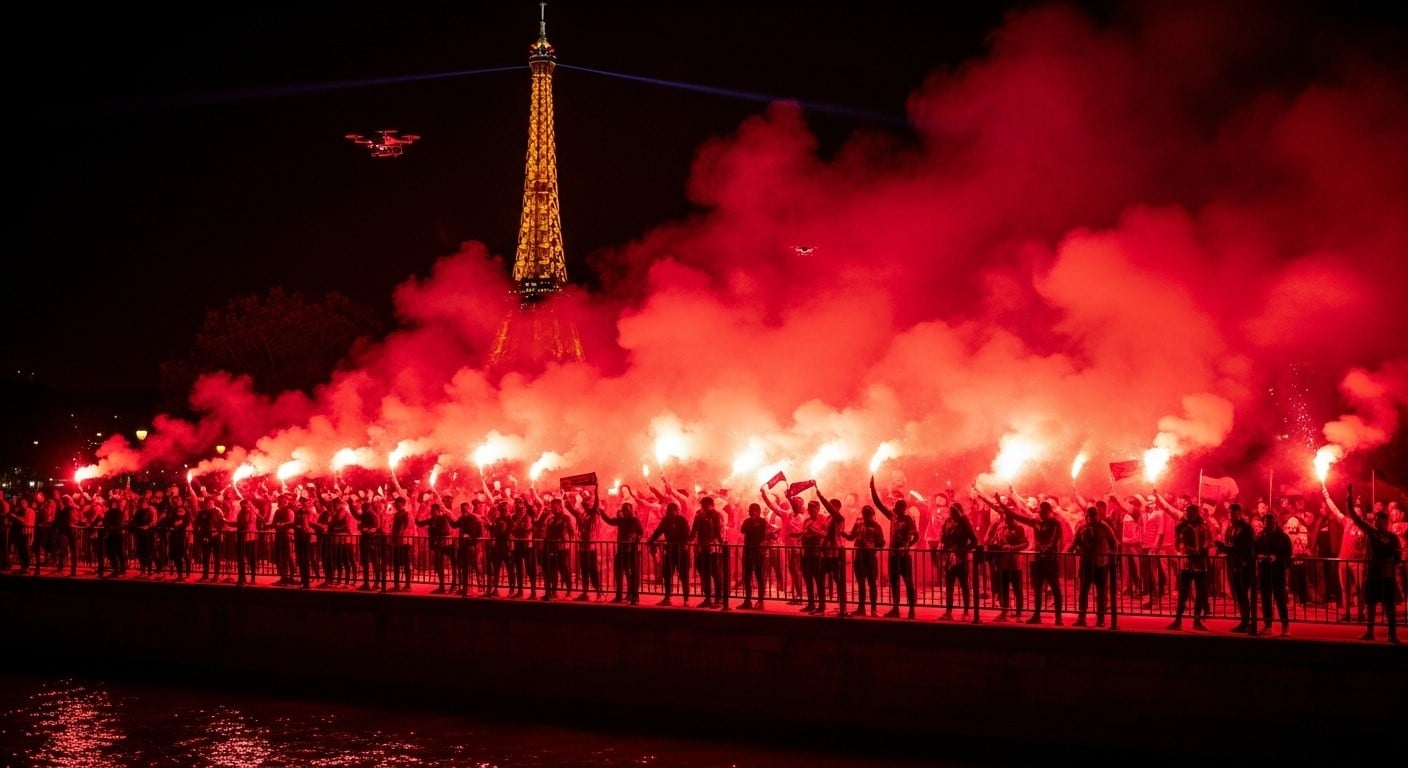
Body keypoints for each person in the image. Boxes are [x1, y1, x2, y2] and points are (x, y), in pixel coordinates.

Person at [1341, 484, 1401, 644]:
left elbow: (1398, 556)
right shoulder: (1371, 533)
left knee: (1389, 606)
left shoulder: (1392, 537)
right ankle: (1369, 632)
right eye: (1377, 520)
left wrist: (1391, 561)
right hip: (1373, 573)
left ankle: (1392, 634)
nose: (1378, 523)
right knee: (1371, 603)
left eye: (1382, 520)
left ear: (1386, 522)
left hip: (1387, 575)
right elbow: (1354, 516)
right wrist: (1349, 498)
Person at [870, 476, 919, 619]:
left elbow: (916, 536)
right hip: (893, 555)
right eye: (895, 506)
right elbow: (878, 505)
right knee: (894, 581)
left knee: (908, 582)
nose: (895, 508)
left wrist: (907, 546)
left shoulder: (909, 519)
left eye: (898, 506)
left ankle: (911, 610)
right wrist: (872, 488)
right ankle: (896, 608)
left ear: (903, 508)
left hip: (904, 556)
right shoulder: (892, 517)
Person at [1069, 505, 1117, 627]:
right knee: (1083, 592)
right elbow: (1074, 543)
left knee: (1101, 592)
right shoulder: (1081, 528)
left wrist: (1112, 558)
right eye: (1088, 515)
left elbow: (1113, 543)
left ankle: (1100, 619)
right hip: (1086, 564)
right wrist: (1073, 549)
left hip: (1101, 564)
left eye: (1093, 515)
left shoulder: (1104, 527)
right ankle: (1081, 617)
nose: (1090, 518)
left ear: (1097, 516)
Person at [1167, 504, 1213, 631]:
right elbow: (1177, 543)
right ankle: (1178, 620)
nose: (1192, 514)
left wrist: (1202, 549)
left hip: (1201, 563)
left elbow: (1209, 541)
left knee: (1199, 593)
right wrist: (1187, 549)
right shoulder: (1182, 527)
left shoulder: (1205, 526)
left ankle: (1197, 620)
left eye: (1194, 512)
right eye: (1190, 512)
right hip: (1187, 564)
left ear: (1197, 513)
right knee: (1183, 593)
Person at [1216, 503, 1256, 633]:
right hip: (1233, 564)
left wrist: (1225, 548)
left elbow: (1245, 547)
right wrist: (1223, 547)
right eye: (1229, 513)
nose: (1230, 515)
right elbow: (1230, 545)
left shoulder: (1245, 528)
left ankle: (1246, 621)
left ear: (1239, 513)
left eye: (1233, 513)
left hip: (1244, 565)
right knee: (1238, 594)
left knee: (1242, 593)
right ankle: (1245, 620)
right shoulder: (1230, 528)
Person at [841, 505, 885, 617]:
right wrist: (844, 534)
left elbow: (882, 542)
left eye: (868, 514)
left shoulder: (876, 527)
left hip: (870, 558)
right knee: (860, 584)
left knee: (872, 584)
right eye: (864, 513)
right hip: (859, 557)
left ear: (872, 515)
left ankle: (873, 609)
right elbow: (852, 536)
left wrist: (873, 549)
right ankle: (861, 608)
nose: (866, 516)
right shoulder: (858, 524)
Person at [938, 502, 978, 621]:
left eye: (954, 512)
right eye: (951, 512)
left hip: (961, 559)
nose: (952, 514)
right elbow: (943, 537)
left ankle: (966, 612)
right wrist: (943, 547)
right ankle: (948, 612)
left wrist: (962, 551)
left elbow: (974, 541)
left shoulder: (964, 522)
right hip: (949, 559)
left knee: (964, 585)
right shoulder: (948, 522)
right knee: (949, 586)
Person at [1254, 512, 1292, 636]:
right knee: (1265, 600)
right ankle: (1268, 625)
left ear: (1275, 521)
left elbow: (1288, 554)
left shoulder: (1283, 537)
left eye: (1271, 520)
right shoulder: (1260, 536)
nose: (1268, 523)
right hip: (1264, 571)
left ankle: (1285, 627)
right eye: (1266, 521)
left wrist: (1277, 557)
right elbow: (1254, 552)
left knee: (1280, 599)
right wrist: (1260, 557)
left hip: (1277, 571)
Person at [601, 498, 645, 605]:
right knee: (619, 573)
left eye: (627, 510)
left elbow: (641, 532)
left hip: (632, 551)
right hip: (621, 551)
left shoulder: (635, 520)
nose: (625, 512)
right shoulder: (621, 520)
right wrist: (601, 511)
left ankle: (634, 597)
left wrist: (637, 538)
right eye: (623, 510)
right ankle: (619, 596)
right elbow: (609, 521)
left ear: (631, 510)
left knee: (633, 575)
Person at [647, 501, 690, 606]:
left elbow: (687, 534)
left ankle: (686, 599)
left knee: (683, 575)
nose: (670, 513)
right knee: (666, 574)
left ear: (676, 511)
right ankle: (667, 597)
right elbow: (659, 531)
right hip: (670, 550)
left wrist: (684, 545)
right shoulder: (665, 520)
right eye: (668, 511)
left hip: (681, 552)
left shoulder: (682, 520)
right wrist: (651, 541)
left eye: (672, 511)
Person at [689, 496, 727, 608]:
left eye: (705, 504)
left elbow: (718, 531)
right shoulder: (699, 515)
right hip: (702, 548)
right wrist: (688, 541)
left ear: (711, 504)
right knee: (704, 573)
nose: (703, 506)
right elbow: (694, 530)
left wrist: (721, 544)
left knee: (715, 573)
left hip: (713, 549)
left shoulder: (716, 515)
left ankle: (719, 599)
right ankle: (708, 598)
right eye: (702, 504)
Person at [738, 502, 769, 610]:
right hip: (747, 551)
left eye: (753, 510)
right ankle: (747, 601)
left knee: (759, 577)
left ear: (758, 511)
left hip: (758, 553)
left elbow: (765, 536)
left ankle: (760, 601)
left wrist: (756, 524)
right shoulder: (747, 521)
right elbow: (742, 530)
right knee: (747, 577)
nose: (751, 512)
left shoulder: (763, 521)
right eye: (750, 510)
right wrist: (751, 523)